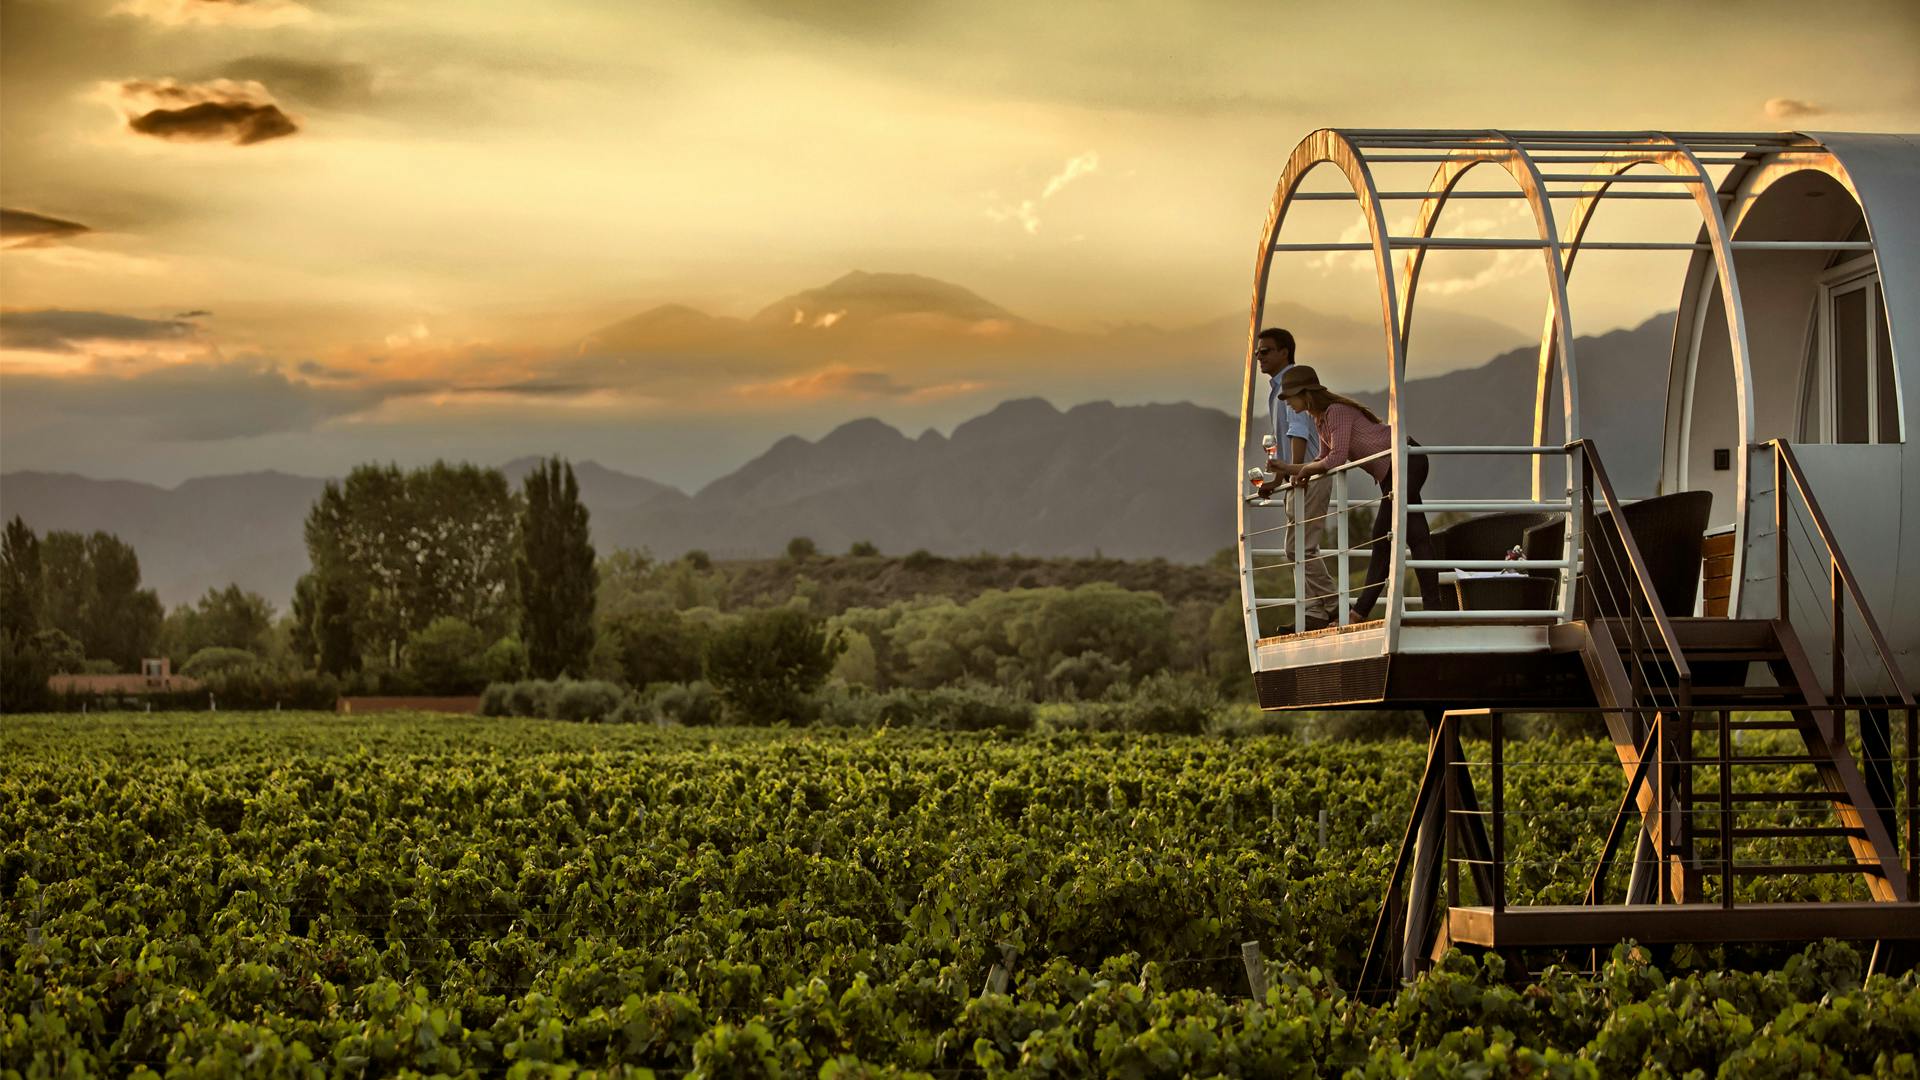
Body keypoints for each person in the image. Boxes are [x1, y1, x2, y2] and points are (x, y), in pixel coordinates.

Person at [1268, 364, 1440, 624]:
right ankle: (1433, 608)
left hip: (1405, 462)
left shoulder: (1335, 413)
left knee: (1382, 537)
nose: (1288, 403)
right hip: (1393, 469)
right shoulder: (1321, 419)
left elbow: (1334, 459)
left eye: (1290, 397)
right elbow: (1321, 459)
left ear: (1306, 394)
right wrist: (1286, 469)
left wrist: (1302, 470)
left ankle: (1360, 612)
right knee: (1416, 537)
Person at [1254, 328, 1337, 632]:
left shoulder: (1290, 385)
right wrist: (1279, 479)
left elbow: (1298, 430)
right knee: (1297, 547)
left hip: (1308, 475)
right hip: (1297, 476)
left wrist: (1296, 470)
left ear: (1284, 352)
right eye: (1257, 352)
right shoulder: (1277, 388)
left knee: (1300, 548)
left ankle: (1334, 604)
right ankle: (1315, 611)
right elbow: (1284, 437)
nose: (1259, 357)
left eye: (1265, 351)